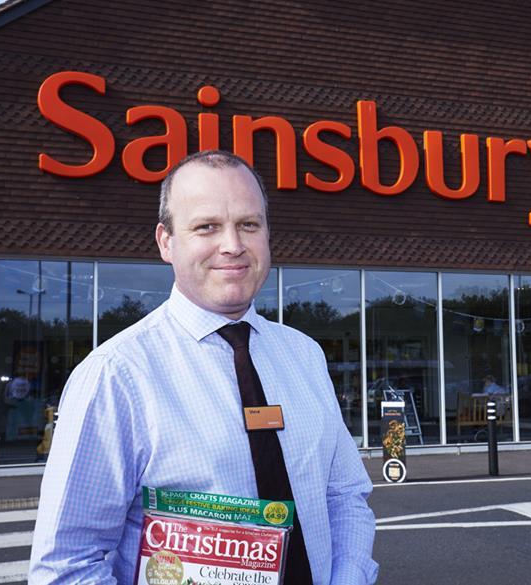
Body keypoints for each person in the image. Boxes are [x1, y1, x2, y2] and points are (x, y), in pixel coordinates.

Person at [28, 151, 378, 584]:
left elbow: (345, 496)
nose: (232, 244)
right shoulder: (116, 374)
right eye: (206, 226)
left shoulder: (304, 355)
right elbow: (68, 566)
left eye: (249, 224)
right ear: (166, 242)